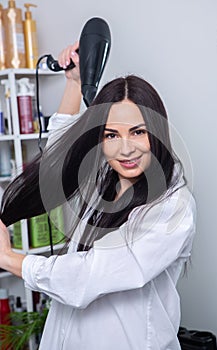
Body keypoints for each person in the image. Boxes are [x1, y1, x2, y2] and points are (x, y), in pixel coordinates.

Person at [0, 41, 196, 350]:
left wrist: (10, 259)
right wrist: (74, 83)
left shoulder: (173, 207)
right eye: (111, 135)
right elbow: (57, 161)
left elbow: (92, 274)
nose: (126, 148)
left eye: (138, 132)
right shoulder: (103, 179)